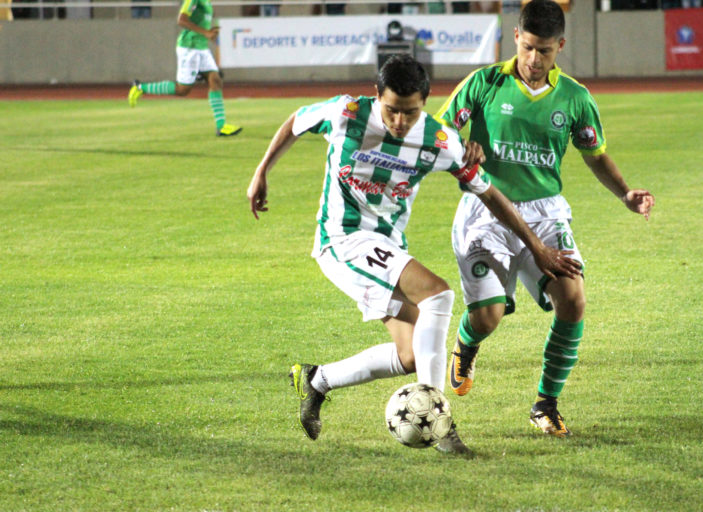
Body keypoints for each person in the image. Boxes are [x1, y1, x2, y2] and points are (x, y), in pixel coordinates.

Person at [246, 54, 580, 455]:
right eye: (391, 110)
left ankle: (317, 380)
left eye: (410, 112)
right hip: (342, 238)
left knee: (411, 354)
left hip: (387, 245)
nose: (400, 121)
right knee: (438, 294)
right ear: (376, 96)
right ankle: (440, 425)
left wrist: (537, 248)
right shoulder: (346, 113)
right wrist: (261, 171)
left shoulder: (439, 141)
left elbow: (490, 195)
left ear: (425, 101)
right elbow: (296, 121)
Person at [436, 0, 655, 438]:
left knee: (573, 300)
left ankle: (545, 404)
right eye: (528, 48)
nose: (534, 61)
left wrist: (625, 193)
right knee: (488, 317)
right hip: (486, 210)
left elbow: (595, 156)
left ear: (561, 46)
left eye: (545, 52)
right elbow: (438, 133)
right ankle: (466, 345)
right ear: (516, 37)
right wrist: (463, 150)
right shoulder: (484, 83)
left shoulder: (574, 97)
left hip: (544, 212)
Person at [128, 0, 241, 137]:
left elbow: (201, 20)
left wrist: (210, 31)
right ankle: (140, 88)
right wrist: (206, 32)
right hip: (189, 47)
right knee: (182, 90)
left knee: (215, 80)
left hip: (202, 48)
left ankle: (221, 127)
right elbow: (181, 20)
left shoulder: (207, 2)